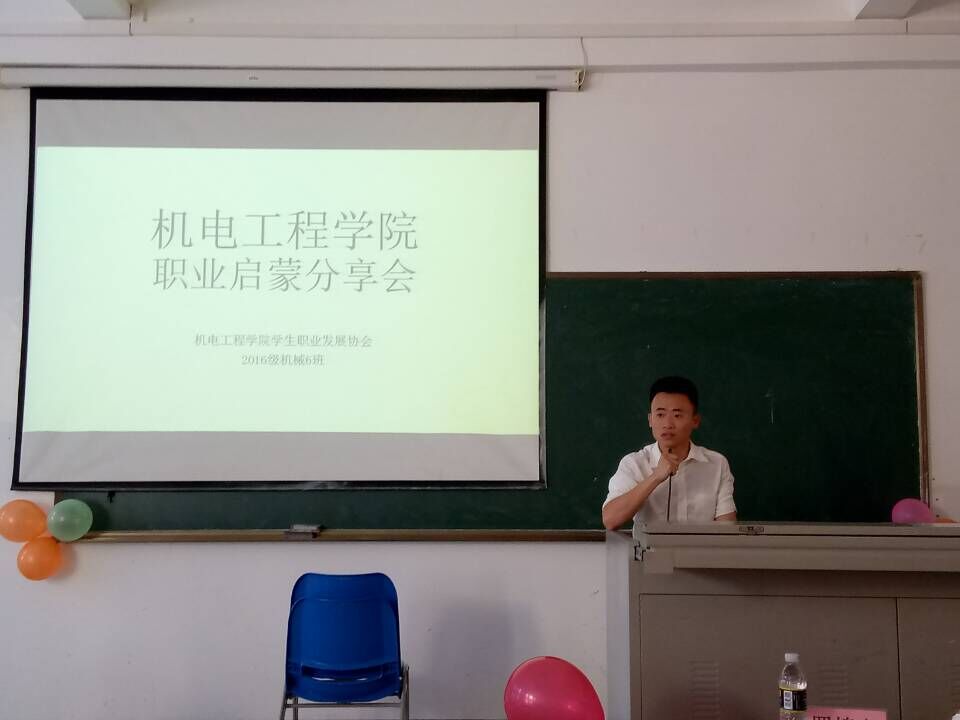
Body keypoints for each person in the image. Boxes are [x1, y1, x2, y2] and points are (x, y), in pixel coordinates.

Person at [601, 376, 736, 530]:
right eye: (660, 415)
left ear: (695, 421)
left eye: (677, 415)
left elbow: (727, 529)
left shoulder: (717, 464)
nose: (667, 424)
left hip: (702, 547)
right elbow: (610, 520)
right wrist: (655, 477)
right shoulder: (634, 463)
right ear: (650, 420)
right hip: (650, 547)